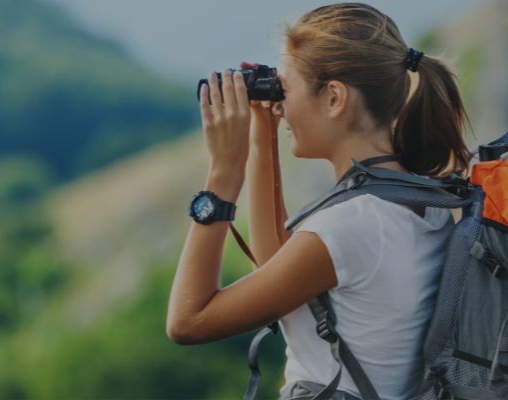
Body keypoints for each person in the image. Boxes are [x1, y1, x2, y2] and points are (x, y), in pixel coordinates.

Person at [167, 3, 471, 399]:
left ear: (334, 98)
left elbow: (188, 321)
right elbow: (277, 263)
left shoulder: (349, 227)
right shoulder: (423, 200)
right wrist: (262, 133)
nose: (281, 103)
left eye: (286, 89)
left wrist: (224, 173)